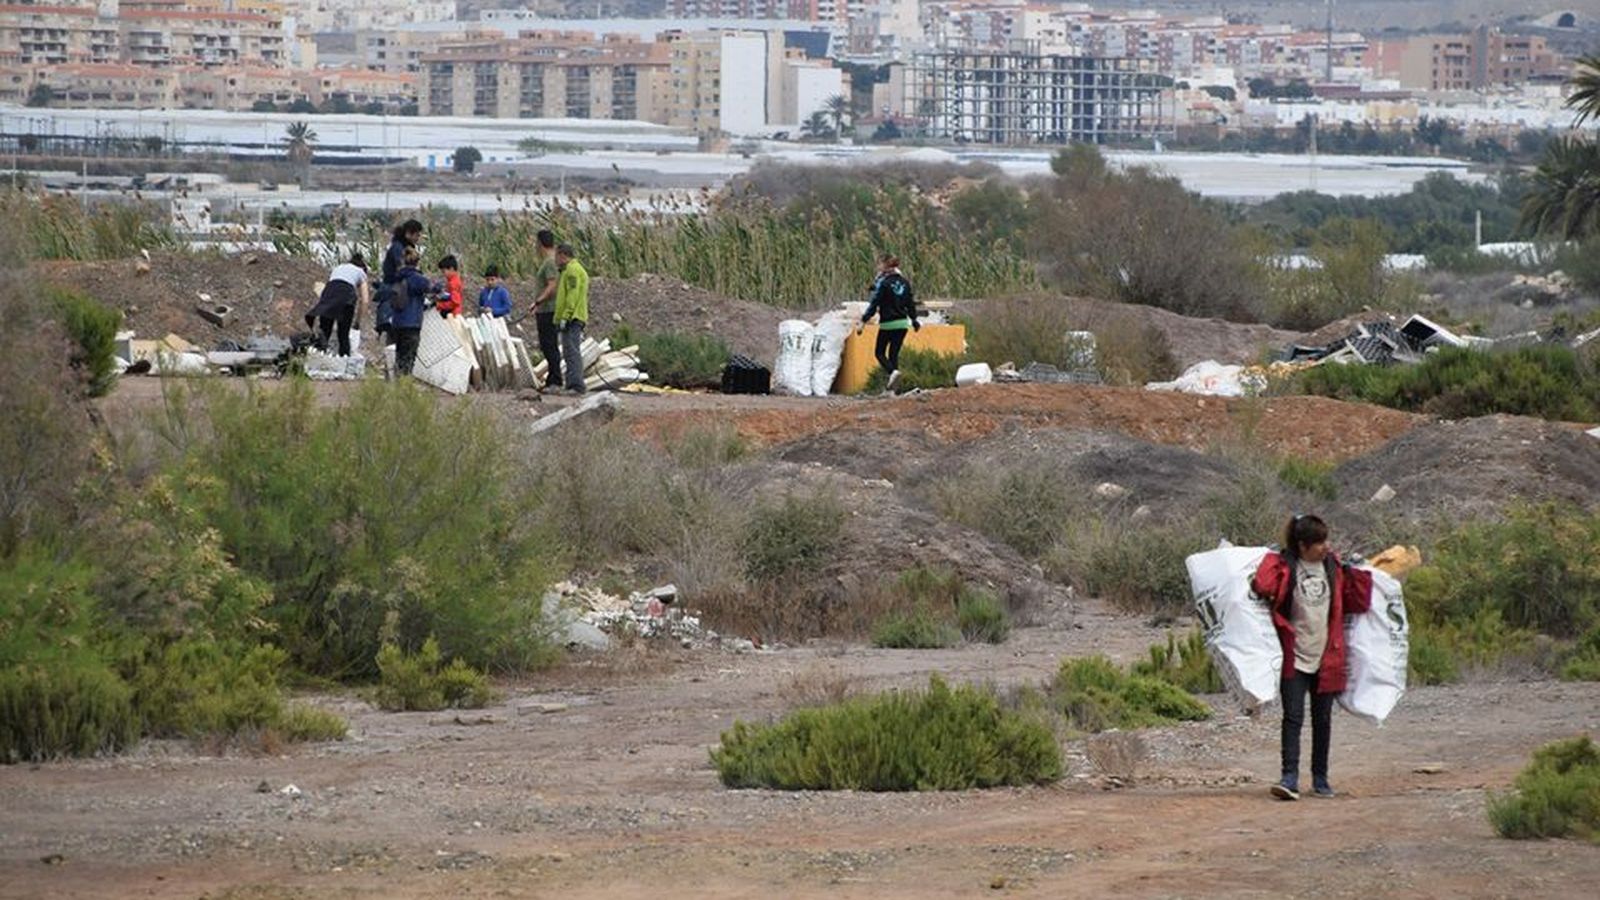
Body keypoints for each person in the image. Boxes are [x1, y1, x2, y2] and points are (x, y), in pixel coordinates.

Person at [1250, 514, 1373, 801]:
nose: (1326, 546)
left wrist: (1358, 571)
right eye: (1319, 542)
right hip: (1295, 655)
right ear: (1303, 545)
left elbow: (1359, 602)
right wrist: (1271, 558)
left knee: (1323, 720)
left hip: (1327, 656)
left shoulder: (1334, 568)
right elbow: (1263, 586)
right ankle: (1289, 777)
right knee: (1292, 718)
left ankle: (1320, 779)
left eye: (1326, 540)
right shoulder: (1286, 567)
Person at [858, 254, 919, 392]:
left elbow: (875, 303)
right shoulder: (905, 282)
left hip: (888, 324)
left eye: (879, 265)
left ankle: (892, 373)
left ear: (885, 266)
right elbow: (910, 303)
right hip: (903, 324)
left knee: (879, 353)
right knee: (893, 355)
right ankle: (894, 389)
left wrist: (864, 320)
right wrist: (914, 319)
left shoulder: (884, 283)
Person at [304, 252, 368, 356]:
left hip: (329, 293)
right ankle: (345, 360)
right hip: (346, 294)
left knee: (324, 331)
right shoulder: (361, 272)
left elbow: (330, 286)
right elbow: (364, 300)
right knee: (343, 334)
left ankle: (317, 359)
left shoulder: (338, 268)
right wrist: (358, 322)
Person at [390, 246, 437, 377]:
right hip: (411, 324)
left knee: (399, 357)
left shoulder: (396, 278)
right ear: (417, 262)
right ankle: (405, 389)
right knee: (408, 360)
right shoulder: (417, 278)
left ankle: (397, 387)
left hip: (397, 323)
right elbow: (434, 289)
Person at [377, 219, 423, 340]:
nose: (418, 238)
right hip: (393, 288)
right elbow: (402, 269)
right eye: (417, 235)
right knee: (393, 325)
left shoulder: (402, 246)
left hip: (397, 287)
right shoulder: (398, 248)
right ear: (409, 233)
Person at [553, 243, 589, 394]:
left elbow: (572, 296)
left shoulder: (572, 271)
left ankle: (576, 385)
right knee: (569, 351)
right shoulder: (568, 270)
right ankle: (571, 384)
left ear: (563, 255)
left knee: (572, 351)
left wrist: (566, 316)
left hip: (572, 317)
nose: (555, 259)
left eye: (557, 256)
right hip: (572, 316)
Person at [529, 230, 563, 388]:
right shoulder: (551, 261)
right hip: (545, 309)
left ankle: (555, 379)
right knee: (547, 344)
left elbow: (552, 285)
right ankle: (552, 377)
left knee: (549, 344)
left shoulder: (550, 262)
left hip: (548, 309)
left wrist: (539, 300)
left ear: (540, 243)